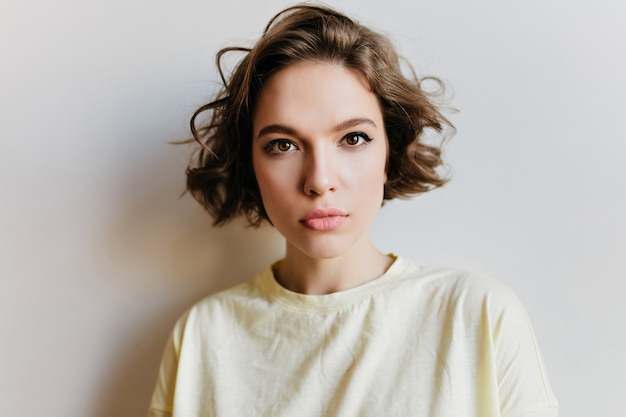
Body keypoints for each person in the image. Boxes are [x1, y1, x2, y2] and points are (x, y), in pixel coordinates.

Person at [149, 4, 558, 416]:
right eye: (283, 145)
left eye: (353, 138)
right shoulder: (204, 334)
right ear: (250, 164)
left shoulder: (475, 314)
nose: (319, 179)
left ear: (389, 152)